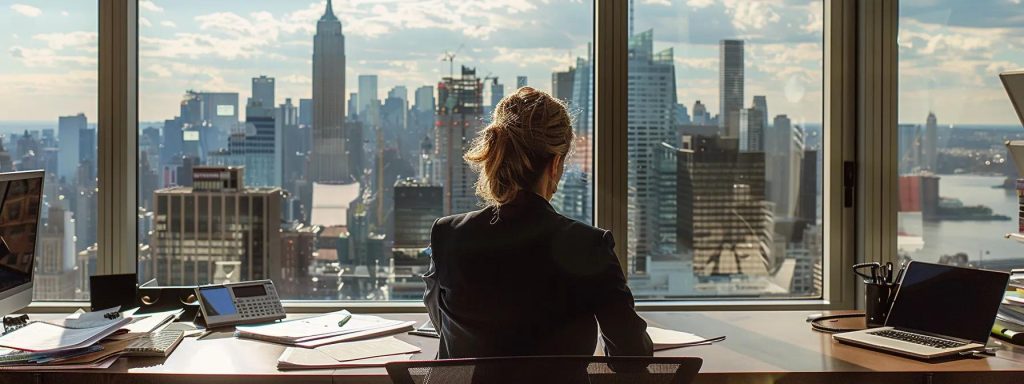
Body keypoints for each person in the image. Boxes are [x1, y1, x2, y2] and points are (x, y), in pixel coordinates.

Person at [423, 87, 653, 359]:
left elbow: (444, 327)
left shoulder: (448, 235)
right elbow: (631, 357)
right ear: (556, 164)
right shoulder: (589, 246)